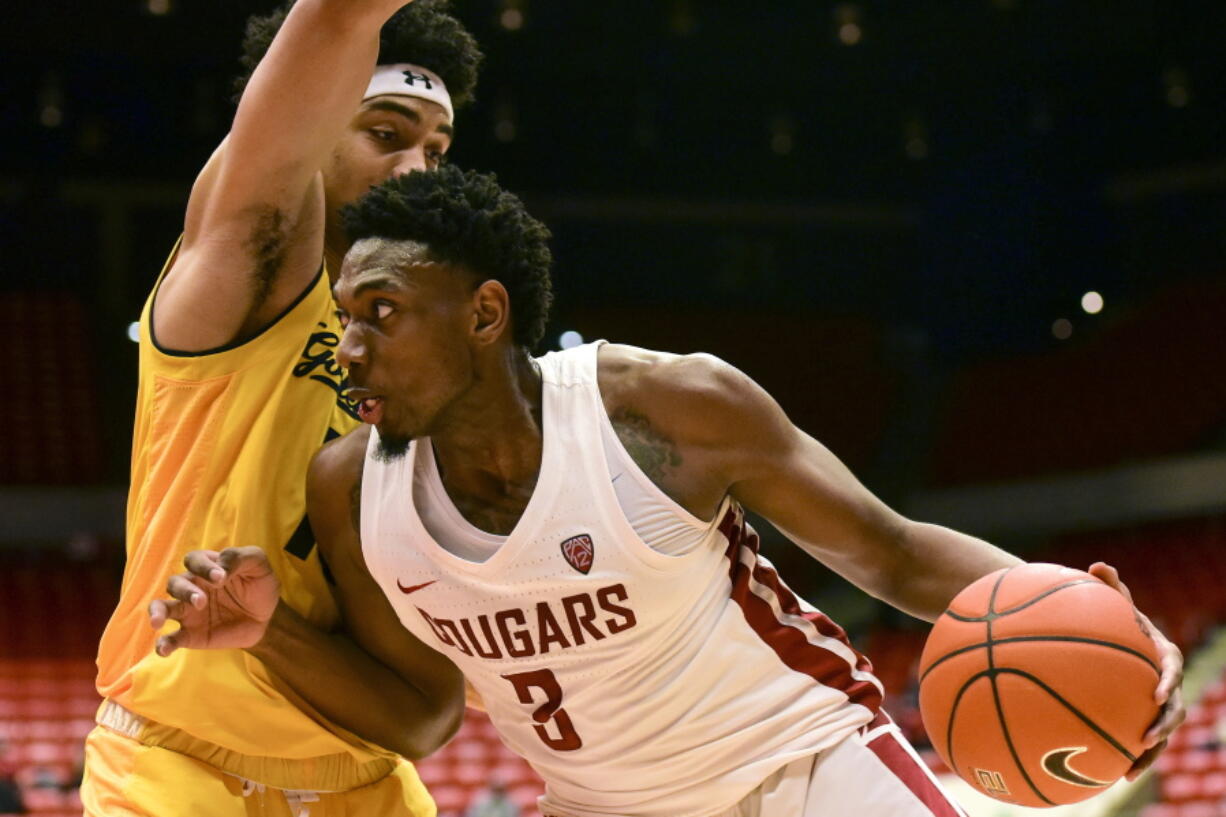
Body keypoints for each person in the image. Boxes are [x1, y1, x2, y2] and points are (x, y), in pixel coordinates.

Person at [154, 167, 1186, 817]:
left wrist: (1106, 626)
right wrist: (269, 633)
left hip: (799, 769)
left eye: (380, 312)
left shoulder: (662, 411)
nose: (351, 345)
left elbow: (894, 553)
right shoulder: (351, 490)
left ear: (482, 313)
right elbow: (421, 719)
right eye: (345, 317)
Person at [82, 3, 483, 816]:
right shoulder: (249, 269)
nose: (417, 170)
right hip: (177, 768)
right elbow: (334, 22)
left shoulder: (436, 365)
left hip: (368, 782)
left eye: (435, 150)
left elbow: (439, 689)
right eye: (385, 133)